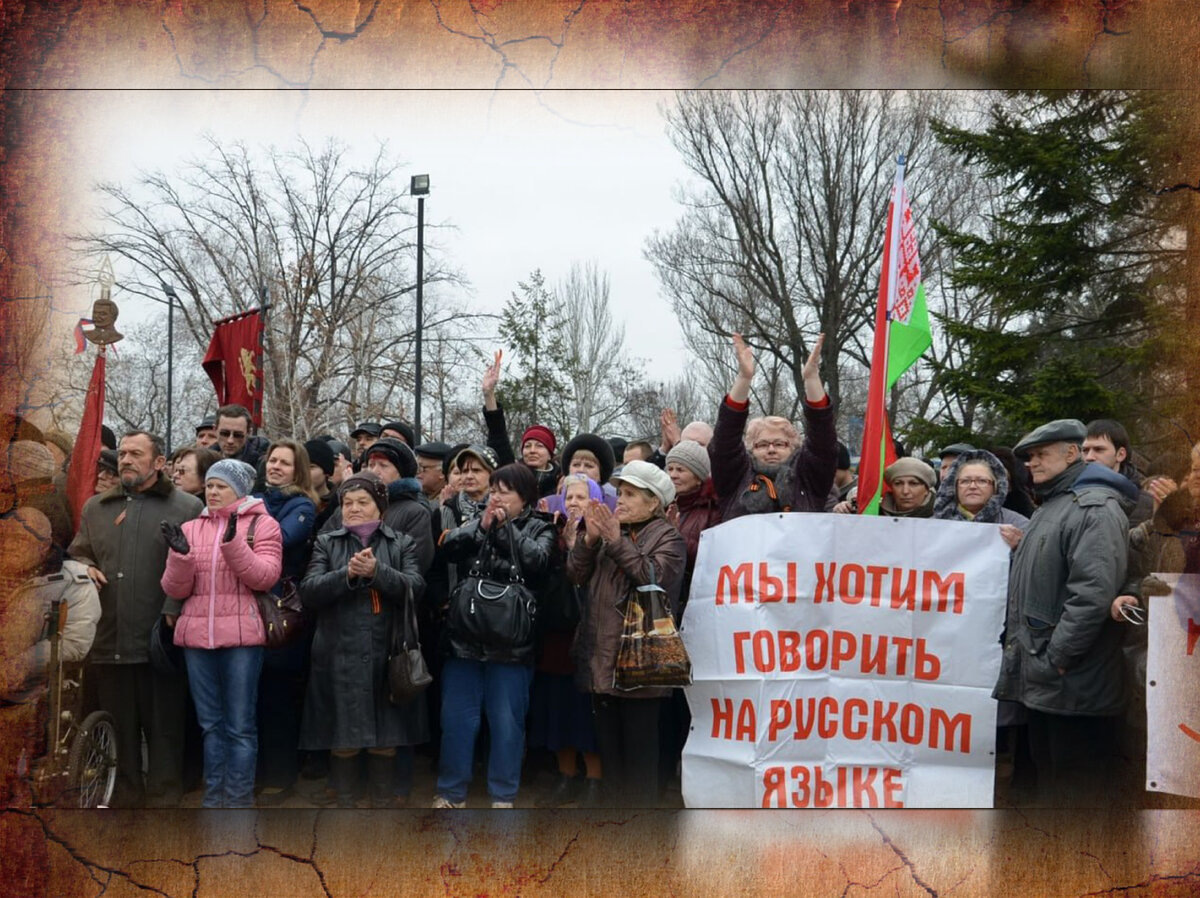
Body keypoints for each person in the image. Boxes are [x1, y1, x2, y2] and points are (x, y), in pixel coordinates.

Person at [993, 418, 1139, 806]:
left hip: (1075, 684)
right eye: (1028, 458)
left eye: (1040, 455)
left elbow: (1092, 593)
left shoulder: (1094, 508)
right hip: (1052, 682)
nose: (1032, 464)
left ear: (1071, 453)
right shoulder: (1055, 505)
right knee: (1054, 787)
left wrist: (1059, 656)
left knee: (1077, 796)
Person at [68, 430, 203, 807]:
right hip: (108, 640)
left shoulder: (188, 508)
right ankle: (124, 802)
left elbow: (200, 571)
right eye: (123, 453)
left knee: (164, 732)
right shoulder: (96, 508)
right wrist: (84, 565)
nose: (125, 459)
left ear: (159, 463)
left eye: (136, 454)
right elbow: (79, 552)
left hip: (160, 642)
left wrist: (172, 614)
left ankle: (163, 804)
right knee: (120, 731)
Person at [432, 463, 557, 809]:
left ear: (526, 497)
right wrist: (481, 527)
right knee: (457, 718)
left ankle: (503, 796)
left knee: (507, 723)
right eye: (495, 489)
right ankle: (450, 792)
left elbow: (538, 562)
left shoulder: (541, 527)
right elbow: (447, 549)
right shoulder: (480, 522)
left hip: (512, 644)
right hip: (465, 638)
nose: (497, 497)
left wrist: (503, 531)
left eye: (506, 491)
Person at [299, 471, 427, 808]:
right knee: (343, 737)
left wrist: (378, 573)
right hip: (338, 652)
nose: (353, 508)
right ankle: (344, 800)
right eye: (347, 503)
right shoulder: (328, 542)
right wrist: (349, 574)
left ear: (380, 508)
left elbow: (416, 586)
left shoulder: (401, 542)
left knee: (385, 737)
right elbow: (309, 591)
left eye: (362, 502)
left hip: (387, 650)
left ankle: (383, 802)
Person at [159, 459, 282, 808]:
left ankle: (239, 803)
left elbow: (265, 577)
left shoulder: (264, 524)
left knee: (240, 726)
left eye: (221, 486)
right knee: (211, 726)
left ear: (239, 490)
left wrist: (234, 545)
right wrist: (180, 557)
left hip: (242, 640)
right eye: (210, 485)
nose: (212, 491)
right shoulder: (192, 527)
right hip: (197, 639)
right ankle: (214, 802)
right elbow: (175, 589)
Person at [566, 460, 686, 808]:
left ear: (654, 502)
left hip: (642, 665)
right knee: (611, 760)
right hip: (601, 662)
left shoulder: (668, 537)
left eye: (631, 493)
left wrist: (616, 541)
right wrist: (588, 539)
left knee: (639, 765)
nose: (620, 499)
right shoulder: (607, 530)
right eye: (620, 491)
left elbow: (655, 580)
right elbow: (574, 575)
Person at [529, 474, 604, 808]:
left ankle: (594, 779)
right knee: (558, 708)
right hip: (555, 637)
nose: (573, 503)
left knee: (586, 713)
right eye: (568, 497)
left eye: (580, 497)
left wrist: (578, 547)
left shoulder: (602, 534)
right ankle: (565, 774)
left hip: (591, 636)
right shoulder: (550, 533)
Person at [251, 438, 319, 805]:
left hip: (281, 612)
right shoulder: (254, 500)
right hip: (246, 608)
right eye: (272, 461)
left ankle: (281, 775)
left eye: (284, 463)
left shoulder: (302, 505)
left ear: (298, 470)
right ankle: (255, 772)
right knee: (251, 698)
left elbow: (282, 537)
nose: (275, 467)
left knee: (278, 697)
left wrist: (245, 527)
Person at [708, 333, 836, 522]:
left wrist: (811, 380)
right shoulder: (736, 478)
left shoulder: (807, 478)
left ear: (793, 447)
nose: (771, 450)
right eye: (762, 444)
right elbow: (724, 441)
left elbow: (823, 441)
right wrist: (743, 379)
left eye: (780, 444)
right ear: (750, 449)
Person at [479, 350, 561, 498]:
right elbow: (498, 434)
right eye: (528, 446)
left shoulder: (560, 482)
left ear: (550, 454)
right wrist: (488, 394)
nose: (532, 450)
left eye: (539, 446)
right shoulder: (512, 473)